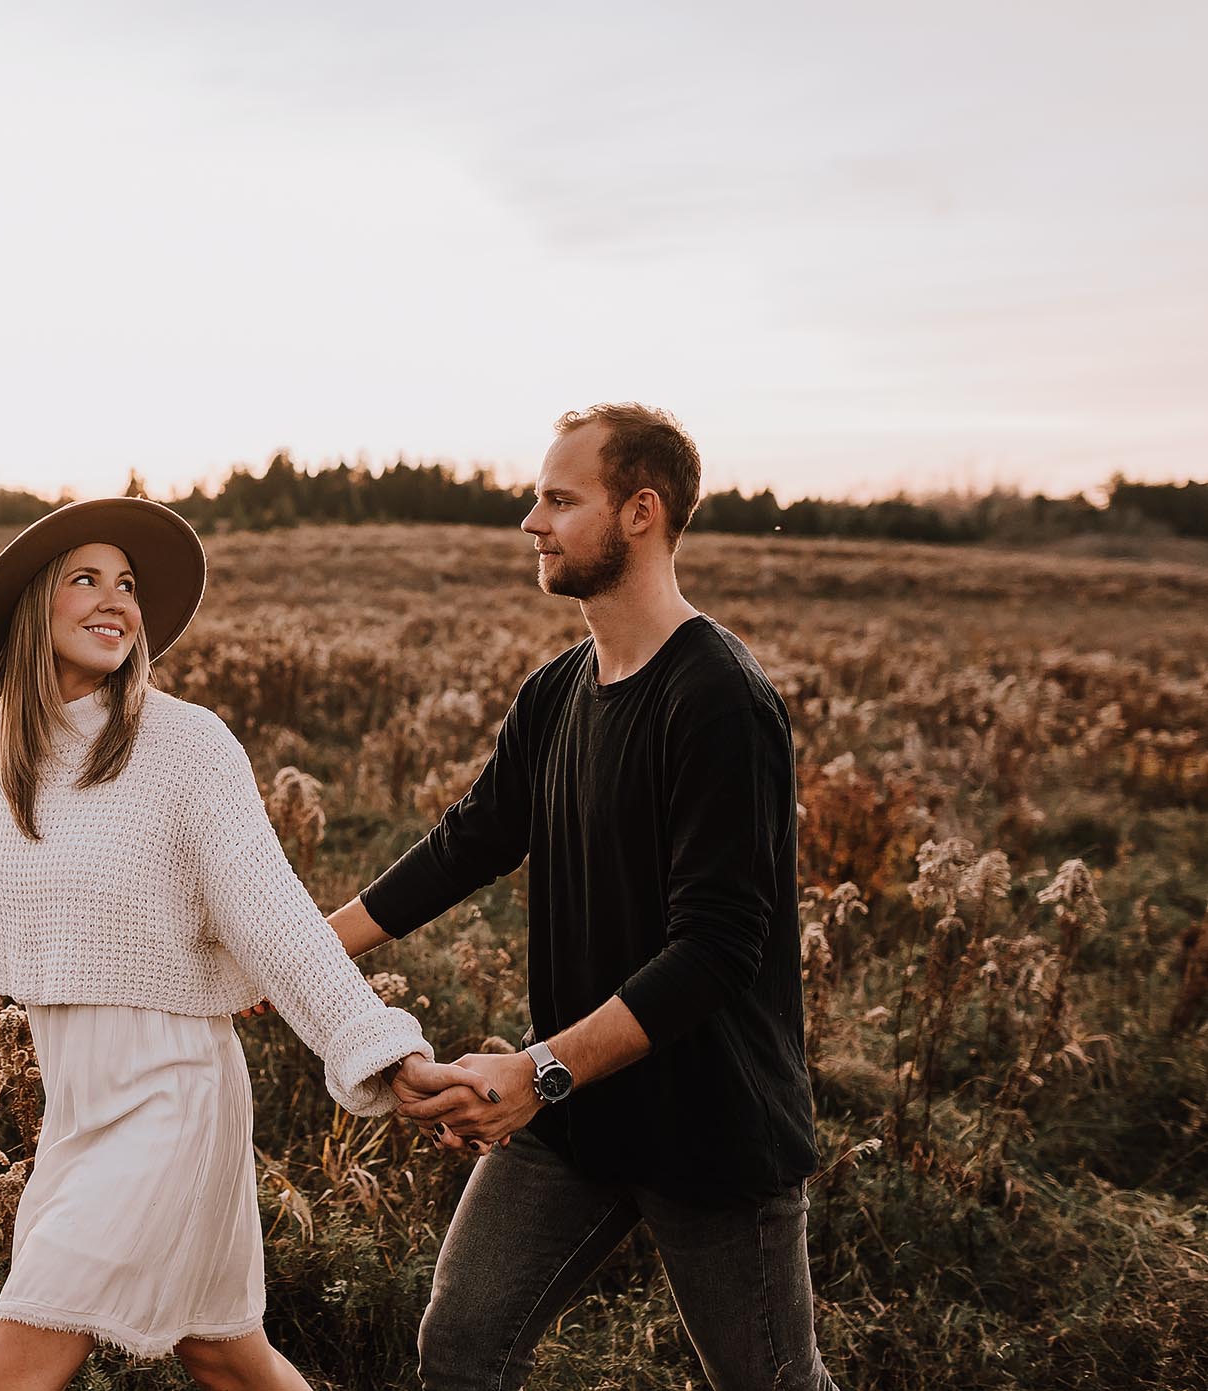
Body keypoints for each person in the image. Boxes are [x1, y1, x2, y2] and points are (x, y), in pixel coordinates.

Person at [324, 405, 840, 1390]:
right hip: (576, 1123)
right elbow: (467, 841)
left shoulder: (720, 700)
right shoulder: (555, 689)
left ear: (639, 511)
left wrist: (538, 1070)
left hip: (711, 1132)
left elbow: (717, 946)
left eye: (560, 499)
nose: (530, 519)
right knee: (463, 1346)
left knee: (771, 1382)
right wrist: (307, 949)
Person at [0, 497, 486, 1391]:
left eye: (126, 584)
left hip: (169, 1096)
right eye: (85, 579)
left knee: (3, 1377)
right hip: (80, 1113)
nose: (115, 600)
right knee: (226, 1358)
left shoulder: (185, 743)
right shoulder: (20, 759)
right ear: (35, 605)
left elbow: (271, 912)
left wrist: (384, 1047)